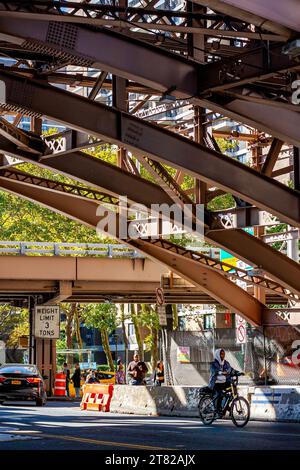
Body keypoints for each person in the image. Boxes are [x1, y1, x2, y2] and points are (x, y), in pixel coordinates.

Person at [208, 349, 241, 416]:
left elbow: (231, 369)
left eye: (223, 354)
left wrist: (238, 372)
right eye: (221, 354)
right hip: (215, 384)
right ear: (218, 355)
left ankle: (226, 407)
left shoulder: (225, 363)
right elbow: (214, 371)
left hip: (224, 383)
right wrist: (221, 372)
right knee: (220, 394)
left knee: (233, 390)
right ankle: (217, 410)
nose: (222, 355)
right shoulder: (213, 363)